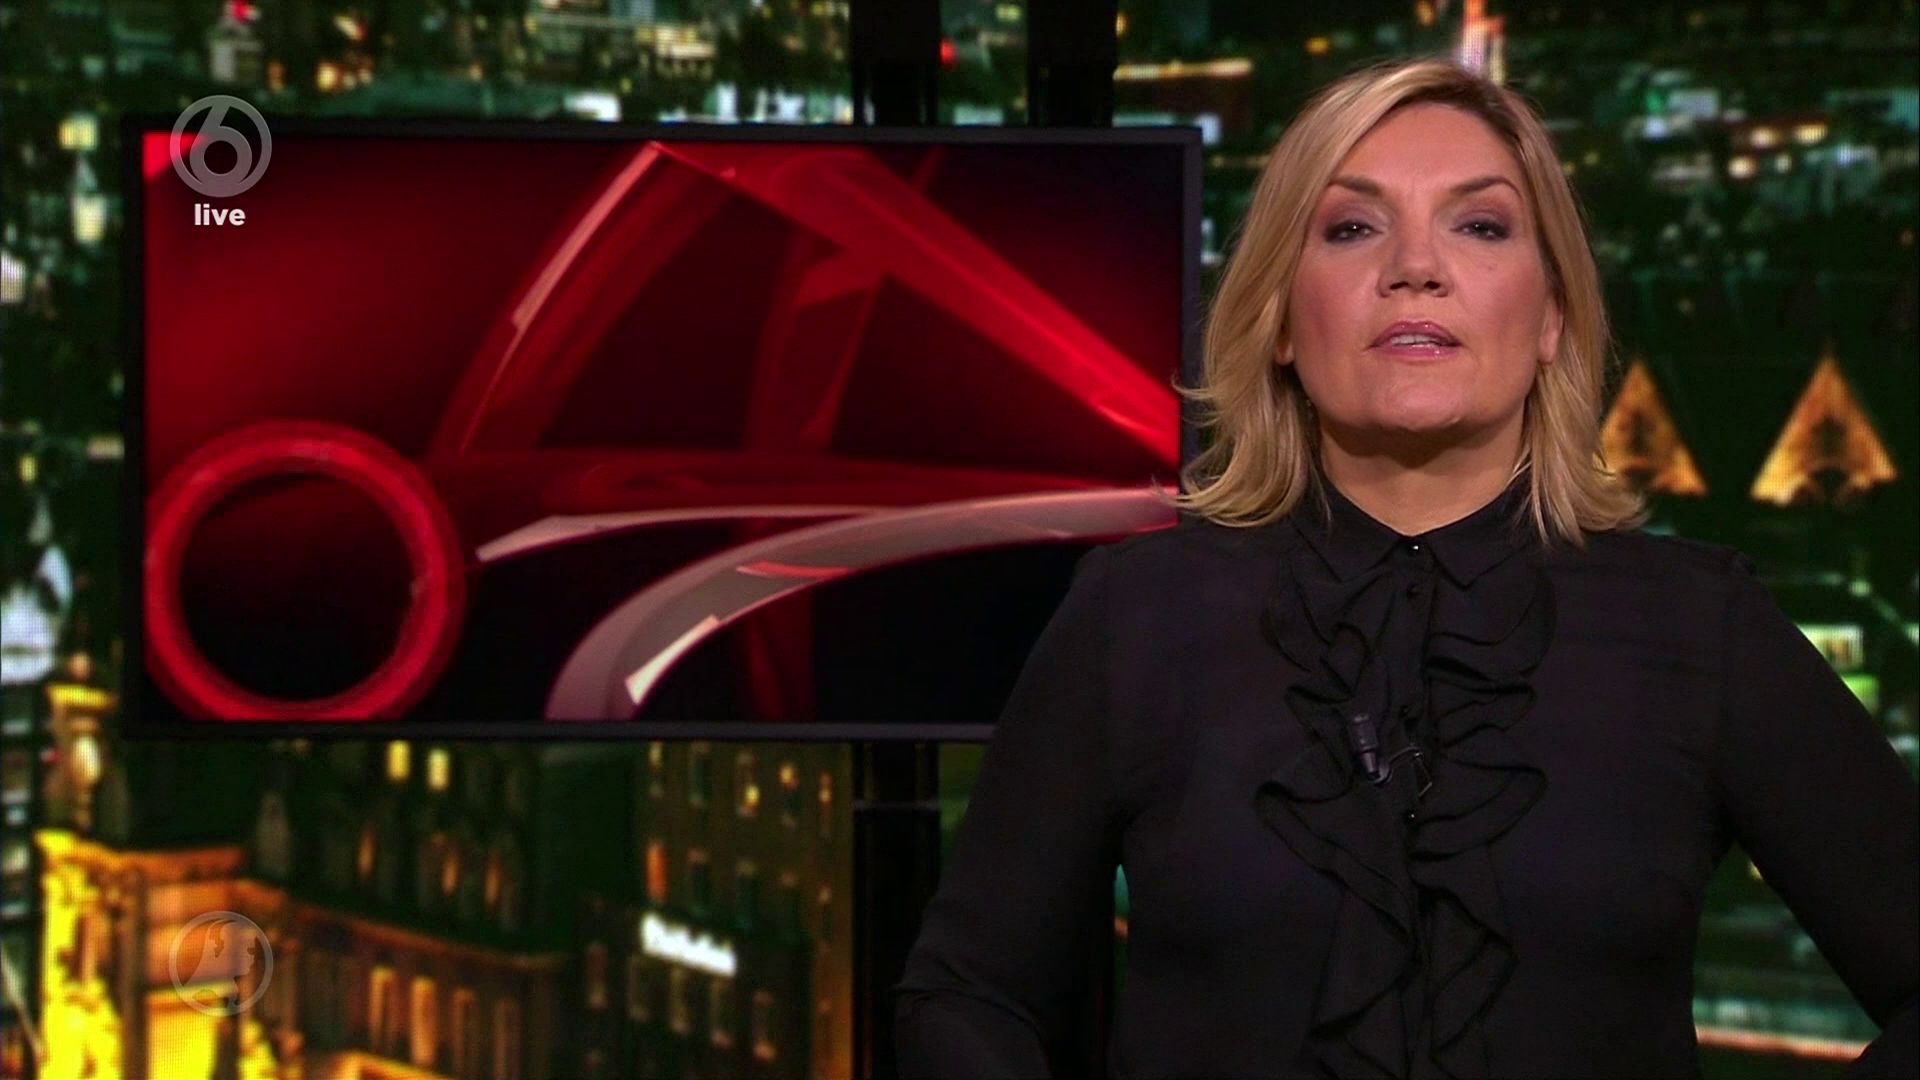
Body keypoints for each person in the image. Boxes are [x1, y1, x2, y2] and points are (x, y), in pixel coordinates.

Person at [892, 58, 1918, 1078]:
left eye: (1481, 226)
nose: (1415, 267)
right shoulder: (1139, 615)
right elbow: (964, 995)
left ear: (1552, 317)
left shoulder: (1699, 626)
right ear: (1280, 318)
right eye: (1352, 227)